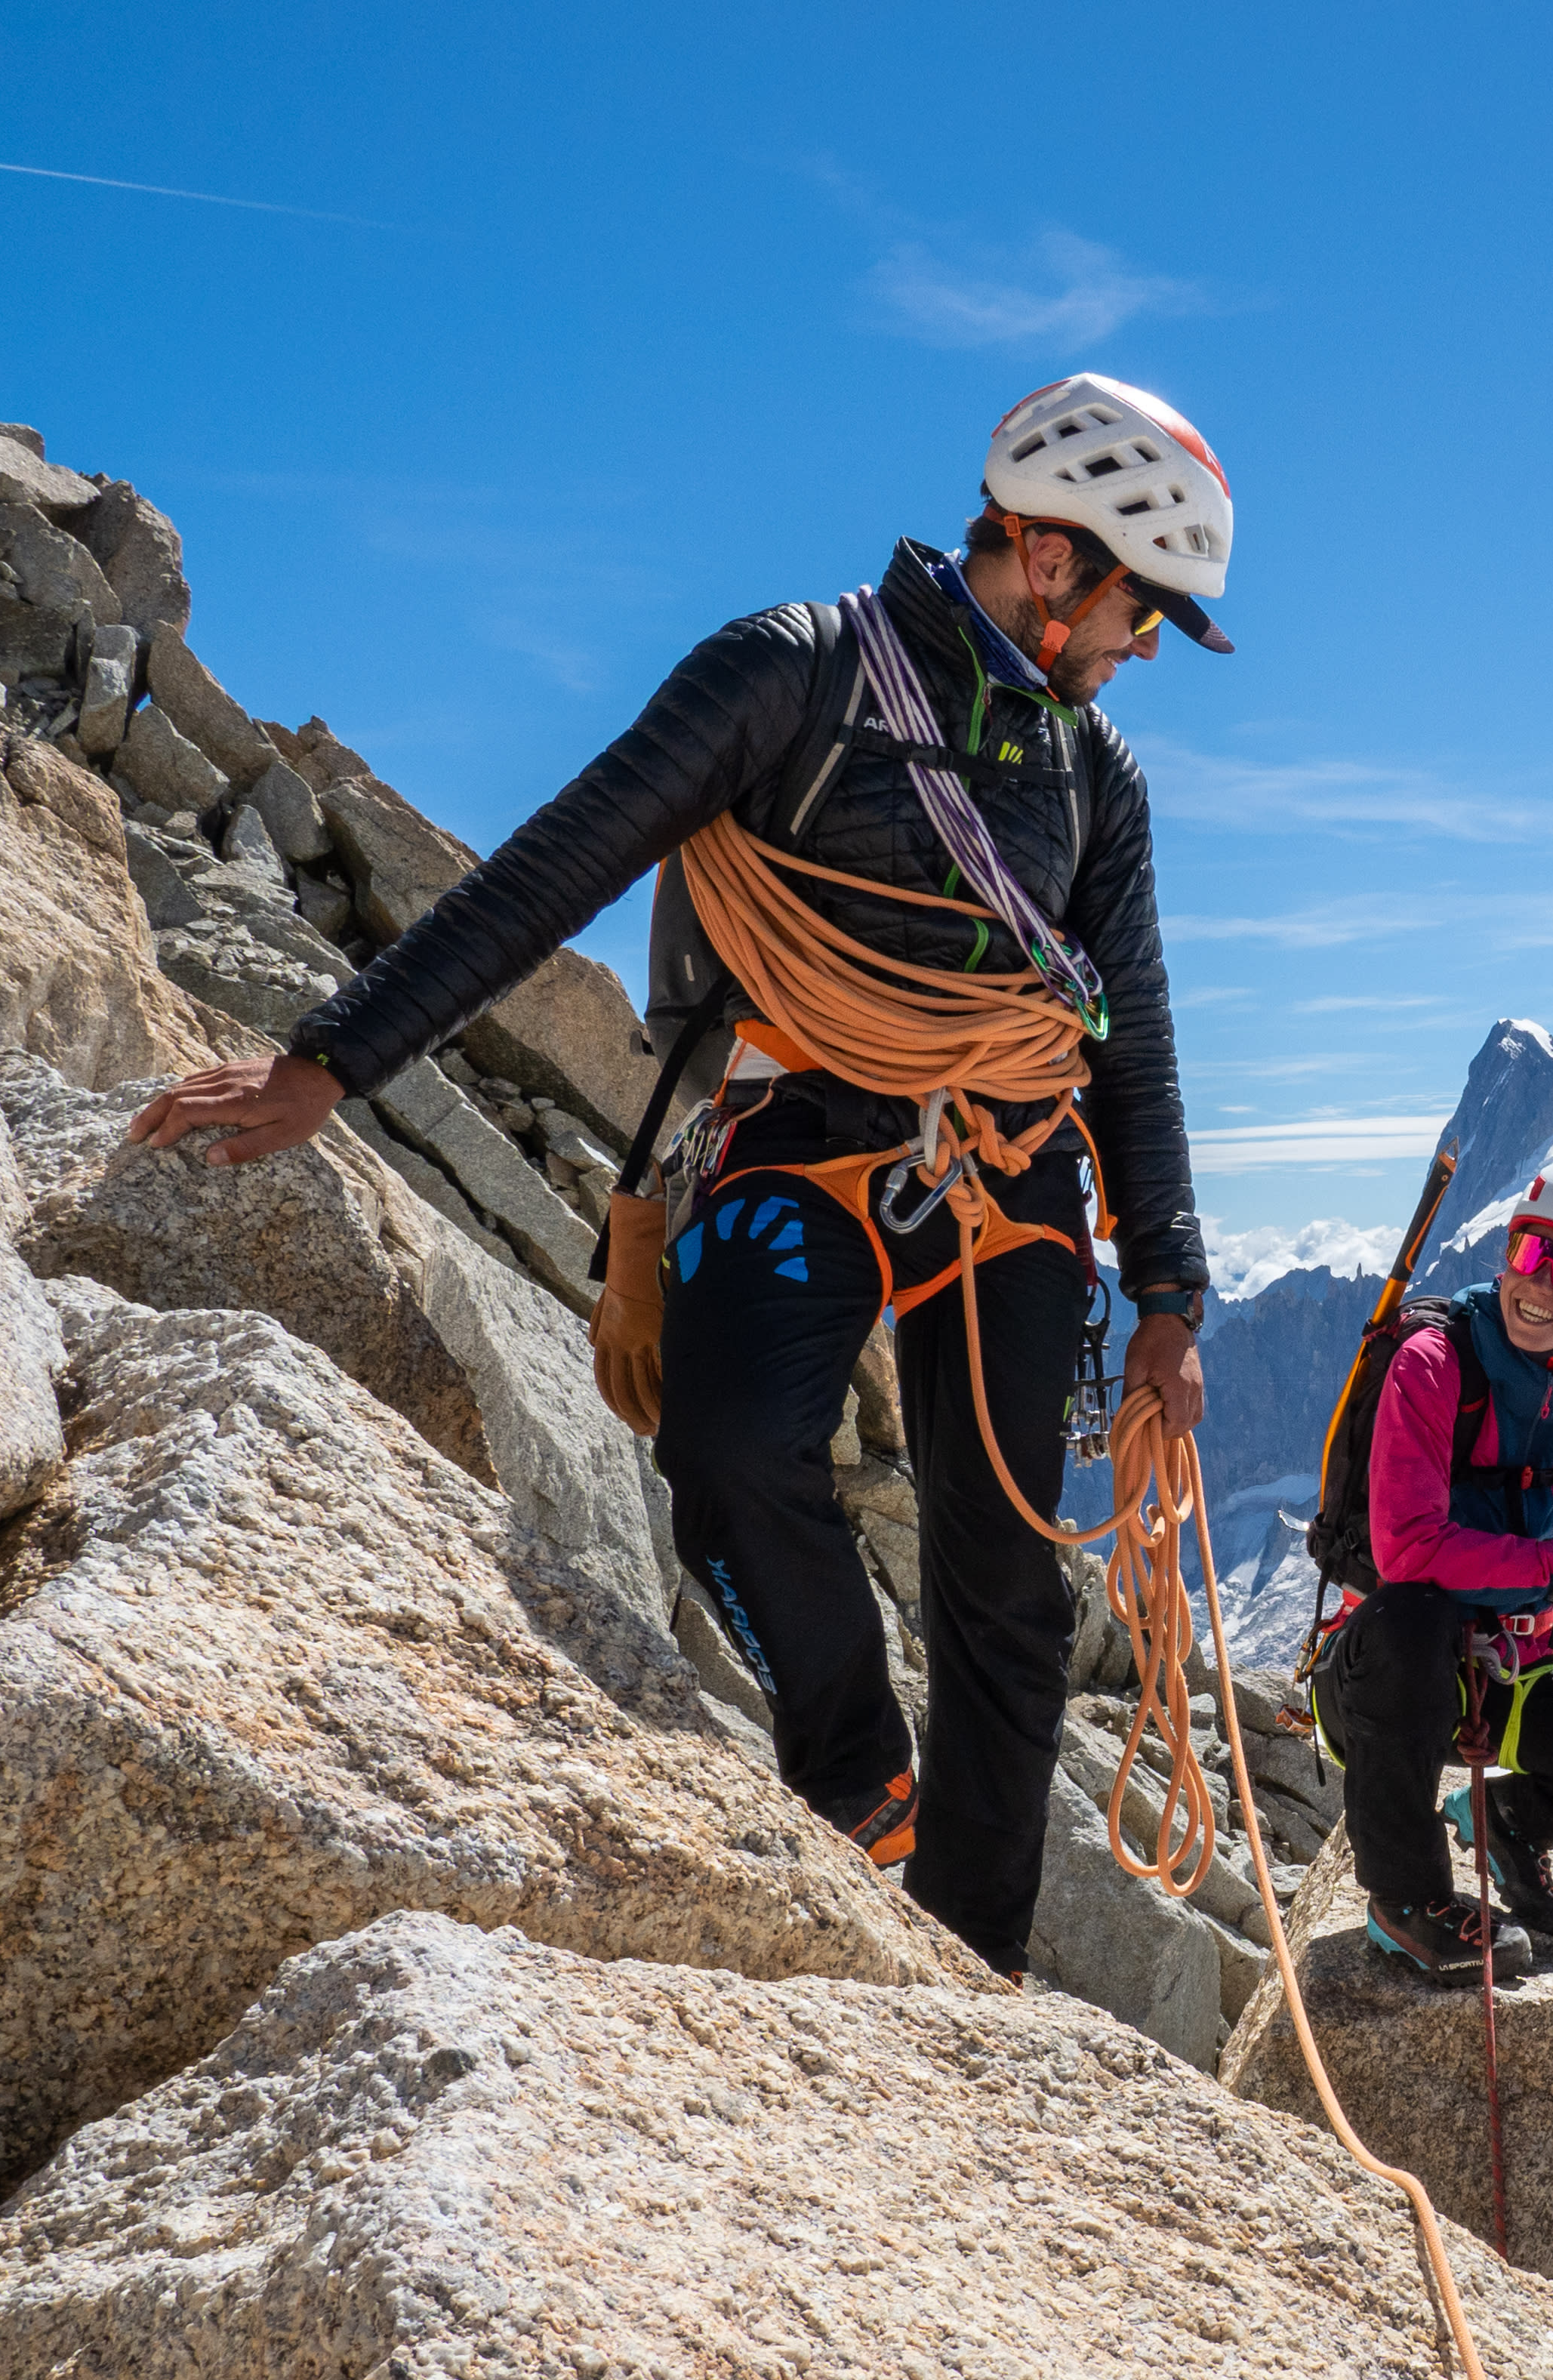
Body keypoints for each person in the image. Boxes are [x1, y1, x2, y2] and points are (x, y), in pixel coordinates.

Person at [125, 373, 1231, 1984]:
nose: (1144, 656)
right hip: (796, 1121)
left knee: (1003, 1576)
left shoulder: (1094, 776)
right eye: (1142, 614)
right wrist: (331, 1060)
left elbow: (1128, 1034)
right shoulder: (791, 672)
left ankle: (972, 1969)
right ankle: (857, 1783)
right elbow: (560, 860)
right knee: (724, 1449)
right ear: (1055, 563)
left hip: (1007, 1161)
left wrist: (1170, 1292)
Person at [1311, 1160, 1553, 1984]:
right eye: (1529, 1252)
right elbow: (1409, 1552)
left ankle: (1511, 1821)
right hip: (1382, 1685)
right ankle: (1406, 1897)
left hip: (1516, 1682)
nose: (1538, 1284)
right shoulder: (1432, 1363)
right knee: (1411, 1616)